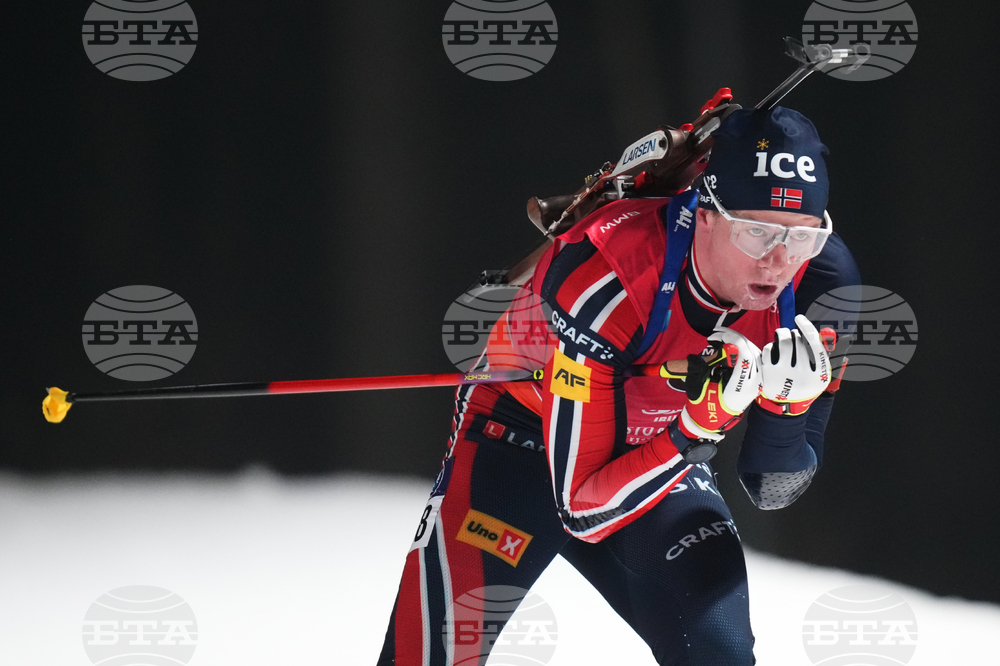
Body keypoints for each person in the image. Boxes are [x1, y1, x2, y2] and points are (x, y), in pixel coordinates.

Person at [377, 106, 861, 665]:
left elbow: (772, 486)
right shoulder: (607, 276)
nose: (778, 261)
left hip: (654, 450)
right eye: (757, 232)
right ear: (705, 213)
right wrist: (698, 427)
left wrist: (788, 407)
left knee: (719, 654)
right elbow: (581, 508)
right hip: (516, 437)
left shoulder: (823, 281)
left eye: (802, 237)